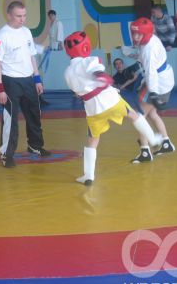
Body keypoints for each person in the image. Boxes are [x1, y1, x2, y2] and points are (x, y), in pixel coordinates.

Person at [63, 31, 163, 185]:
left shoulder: (68, 73)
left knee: (92, 139)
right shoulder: (89, 60)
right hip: (110, 100)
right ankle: (152, 139)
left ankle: (88, 176)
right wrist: (101, 77)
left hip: (92, 109)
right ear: (85, 47)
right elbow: (97, 72)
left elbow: (77, 93)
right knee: (134, 115)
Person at [0, 1, 51, 168]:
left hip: (28, 80)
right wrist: (0, 88)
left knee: (34, 113)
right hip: (10, 81)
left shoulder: (26, 32)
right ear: (9, 15)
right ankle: (6, 153)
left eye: (24, 16)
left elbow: (32, 56)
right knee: (11, 120)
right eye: (18, 16)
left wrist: (37, 78)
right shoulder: (2, 35)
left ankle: (35, 146)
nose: (22, 19)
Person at [129, 17, 176, 163]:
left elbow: (151, 72)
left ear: (146, 33)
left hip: (157, 83)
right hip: (165, 79)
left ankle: (145, 151)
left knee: (139, 116)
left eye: (139, 34)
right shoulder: (150, 39)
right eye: (134, 34)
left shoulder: (149, 49)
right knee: (152, 113)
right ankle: (166, 143)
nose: (135, 37)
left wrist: (154, 93)